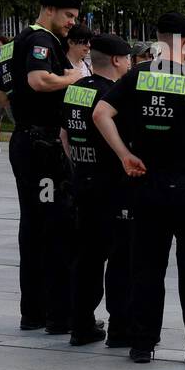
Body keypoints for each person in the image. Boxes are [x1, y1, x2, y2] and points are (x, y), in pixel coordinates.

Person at [92, 12, 185, 364]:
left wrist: (124, 154)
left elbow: (100, 114)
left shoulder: (137, 76)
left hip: (146, 183)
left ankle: (142, 343)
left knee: (146, 268)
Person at [7, 0, 85, 333]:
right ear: (49, 9)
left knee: (34, 226)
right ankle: (57, 313)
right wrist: (73, 76)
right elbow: (39, 81)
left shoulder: (13, 44)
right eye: (68, 16)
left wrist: (23, 120)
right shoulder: (42, 40)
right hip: (42, 148)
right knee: (54, 225)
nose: (72, 23)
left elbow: (2, 93)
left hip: (26, 141)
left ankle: (34, 310)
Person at [60, 33, 132, 347]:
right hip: (112, 186)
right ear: (117, 60)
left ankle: (81, 324)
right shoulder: (114, 95)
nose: (130, 63)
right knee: (120, 258)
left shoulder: (77, 88)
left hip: (82, 181)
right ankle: (120, 327)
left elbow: (64, 134)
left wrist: (79, 163)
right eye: (128, 57)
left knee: (86, 258)